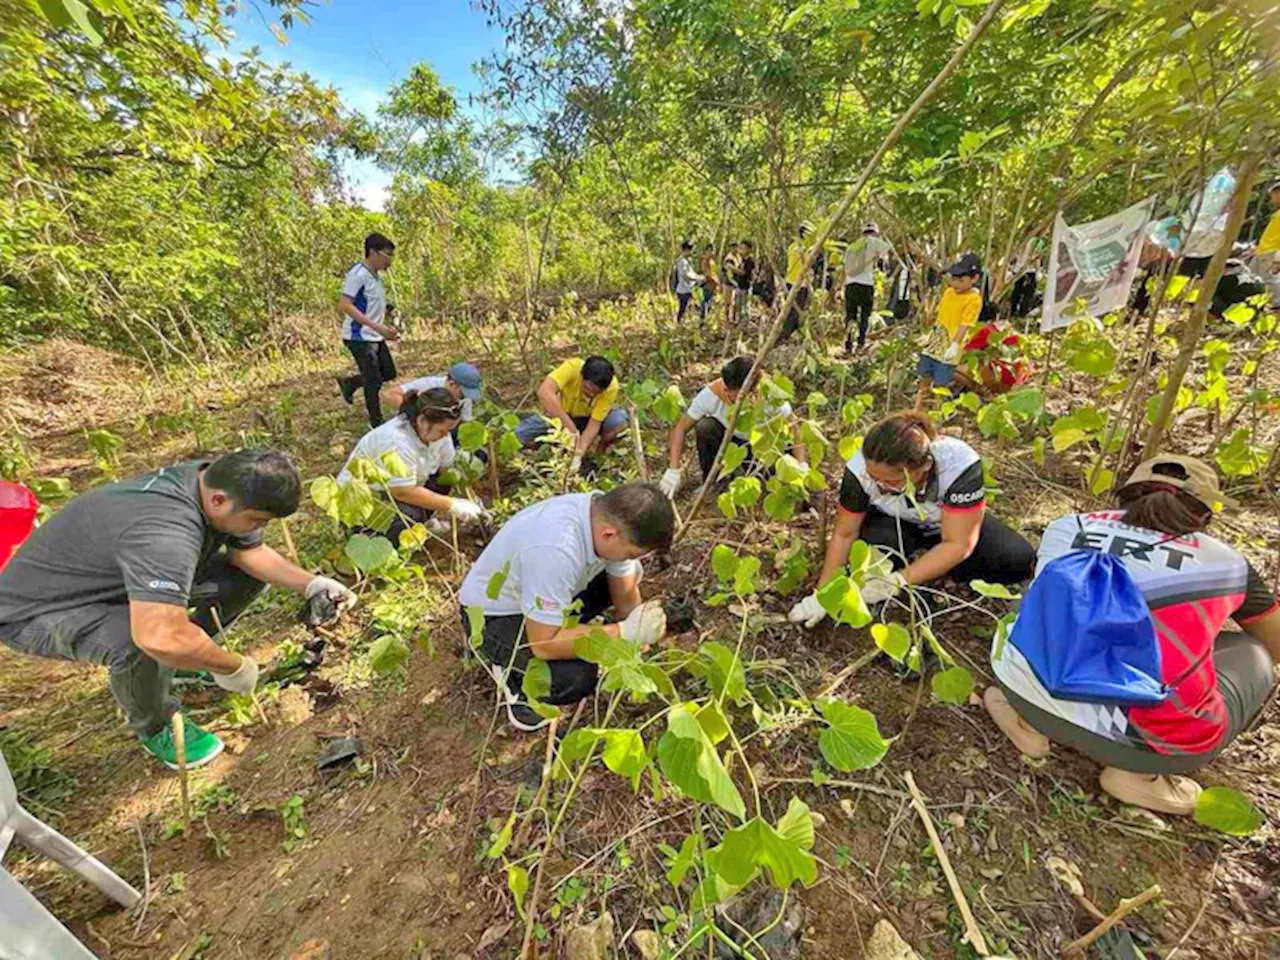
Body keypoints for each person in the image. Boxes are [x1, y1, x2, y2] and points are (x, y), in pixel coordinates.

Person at [0, 452, 356, 769]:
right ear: (218, 500)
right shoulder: (165, 533)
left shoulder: (213, 480)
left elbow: (248, 555)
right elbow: (157, 635)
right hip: (40, 608)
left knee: (241, 579)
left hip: (118, 577)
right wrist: (231, 665)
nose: (258, 530)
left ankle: (185, 663)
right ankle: (157, 726)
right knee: (137, 641)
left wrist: (311, 583)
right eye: (257, 521)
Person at [984, 456, 1279, 815]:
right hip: (1144, 740)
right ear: (1204, 516)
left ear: (1123, 496)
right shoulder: (1228, 563)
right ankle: (1138, 776)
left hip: (1028, 691)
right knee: (1253, 653)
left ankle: (1027, 724)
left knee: (1043, 600)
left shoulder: (1068, 526)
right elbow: (1275, 643)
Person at [788, 411, 1035, 628]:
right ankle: (919, 565)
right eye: (874, 478)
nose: (879, 485)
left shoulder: (959, 463)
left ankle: (929, 570)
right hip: (890, 524)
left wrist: (895, 582)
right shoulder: (860, 468)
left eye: (891, 481)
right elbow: (844, 533)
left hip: (947, 524)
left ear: (924, 466)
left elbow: (959, 544)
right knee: (878, 547)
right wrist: (823, 593)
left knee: (1015, 559)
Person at [459, 484, 674, 730]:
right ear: (609, 534)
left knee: (630, 573)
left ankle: (567, 628)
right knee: (574, 677)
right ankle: (513, 676)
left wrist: (638, 646)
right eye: (631, 552)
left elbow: (624, 597)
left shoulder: (604, 515)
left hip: (540, 594)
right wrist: (624, 632)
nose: (630, 558)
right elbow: (543, 644)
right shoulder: (556, 547)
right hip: (493, 618)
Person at [337, 387, 485, 544]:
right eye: (442, 431)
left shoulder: (439, 435)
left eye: (449, 430)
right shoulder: (396, 441)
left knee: (443, 483)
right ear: (422, 421)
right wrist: (453, 505)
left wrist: (472, 500)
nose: (446, 435)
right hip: (368, 501)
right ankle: (379, 538)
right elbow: (402, 492)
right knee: (408, 514)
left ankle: (420, 524)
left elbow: (448, 470)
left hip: (401, 488)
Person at [659, 355, 807, 498]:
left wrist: (801, 464)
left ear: (752, 391)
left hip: (764, 448)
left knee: (780, 478)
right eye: (727, 390)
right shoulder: (711, 395)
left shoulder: (771, 396)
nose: (728, 394)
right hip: (731, 447)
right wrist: (673, 469)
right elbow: (681, 428)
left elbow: (794, 430)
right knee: (706, 426)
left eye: (735, 394)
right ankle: (714, 482)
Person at [515, 356, 628, 471]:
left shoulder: (612, 387)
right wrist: (571, 429)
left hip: (586, 420)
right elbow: (545, 392)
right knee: (520, 433)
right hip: (559, 416)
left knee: (617, 420)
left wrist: (578, 455)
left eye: (596, 393)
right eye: (588, 388)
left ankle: (598, 455)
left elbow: (594, 424)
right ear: (582, 377)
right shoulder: (572, 368)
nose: (591, 394)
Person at [337, 233, 400, 428]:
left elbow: (370, 302)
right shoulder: (358, 275)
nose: (389, 259)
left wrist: (388, 313)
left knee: (388, 372)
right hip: (359, 336)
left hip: (374, 335)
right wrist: (378, 327)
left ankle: (352, 382)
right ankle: (376, 422)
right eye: (386, 254)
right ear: (372, 252)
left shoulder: (377, 277)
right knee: (373, 380)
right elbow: (345, 304)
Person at [914, 253, 983, 410]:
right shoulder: (949, 292)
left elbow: (964, 324)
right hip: (935, 341)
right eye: (953, 279)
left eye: (961, 280)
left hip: (950, 346)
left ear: (974, 279)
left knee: (941, 384)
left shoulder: (973, 299)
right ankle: (917, 410)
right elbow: (941, 317)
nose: (956, 284)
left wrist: (954, 345)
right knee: (925, 377)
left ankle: (937, 414)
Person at [843, 222, 895, 354]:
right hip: (866, 284)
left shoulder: (852, 246)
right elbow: (887, 254)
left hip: (850, 284)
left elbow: (846, 267)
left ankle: (849, 343)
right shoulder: (875, 242)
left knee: (850, 315)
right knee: (865, 315)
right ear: (875, 233)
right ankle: (861, 342)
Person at [381, 362, 483, 421]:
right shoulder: (428, 384)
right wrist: (414, 413)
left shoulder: (465, 400)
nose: (463, 397)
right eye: (462, 393)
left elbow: (464, 421)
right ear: (452, 384)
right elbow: (389, 394)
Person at [779, 224, 814, 342]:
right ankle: (787, 335)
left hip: (790, 281)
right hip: (800, 283)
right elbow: (807, 265)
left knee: (790, 310)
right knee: (796, 311)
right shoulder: (806, 248)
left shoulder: (792, 246)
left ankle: (788, 334)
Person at [672, 241, 704, 323]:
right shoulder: (682, 262)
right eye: (691, 250)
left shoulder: (686, 261)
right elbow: (686, 275)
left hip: (688, 289)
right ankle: (679, 324)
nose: (691, 252)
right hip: (683, 289)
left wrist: (698, 277)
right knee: (683, 309)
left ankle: (683, 324)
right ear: (686, 250)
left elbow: (691, 273)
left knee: (688, 308)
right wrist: (697, 278)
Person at [735, 240, 757, 324]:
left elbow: (743, 273)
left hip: (746, 286)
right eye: (741, 248)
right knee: (738, 305)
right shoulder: (741, 260)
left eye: (743, 248)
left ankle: (745, 323)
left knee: (744, 306)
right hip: (739, 285)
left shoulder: (750, 261)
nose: (741, 250)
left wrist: (733, 268)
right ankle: (740, 321)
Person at [698, 243, 719, 322]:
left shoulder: (712, 261)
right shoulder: (705, 261)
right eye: (709, 251)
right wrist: (715, 280)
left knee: (710, 302)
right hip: (707, 284)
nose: (711, 252)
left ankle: (706, 320)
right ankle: (702, 321)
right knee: (706, 302)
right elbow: (706, 273)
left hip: (712, 285)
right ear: (706, 251)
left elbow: (714, 272)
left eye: (712, 251)